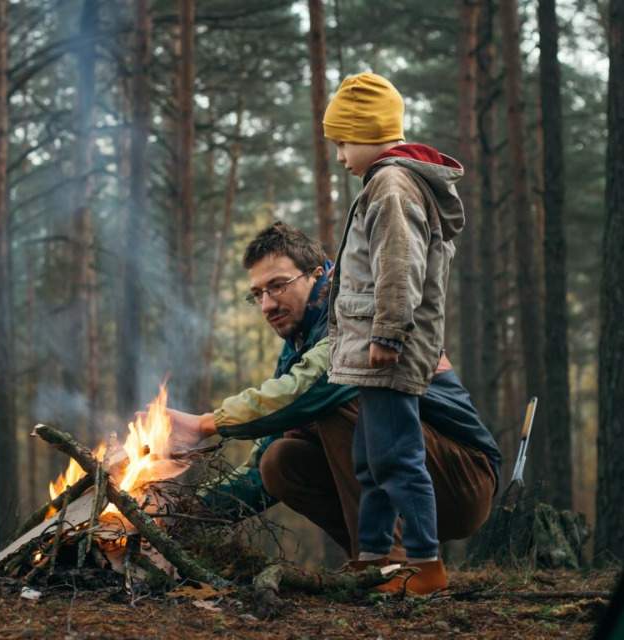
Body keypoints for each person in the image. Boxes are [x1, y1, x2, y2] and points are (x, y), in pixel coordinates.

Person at [166, 222, 500, 575]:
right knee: (279, 460)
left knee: (335, 402)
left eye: (278, 286)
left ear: (318, 274)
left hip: (461, 478)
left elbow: (311, 387)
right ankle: (369, 562)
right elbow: (259, 468)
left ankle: (392, 563)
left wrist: (205, 424)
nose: (266, 304)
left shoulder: (356, 310)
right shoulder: (298, 344)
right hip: (412, 486)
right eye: (257, 294)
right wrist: (180, 513)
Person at [323, 71, 467, 594]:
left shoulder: (390, 184)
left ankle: (426, 566)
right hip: (376, 350)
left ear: (369, 133)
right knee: (370, 460)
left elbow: (398, 266)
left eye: (342, 142)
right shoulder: (387, 183)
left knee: (398, 459)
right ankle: (375, 556)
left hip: (388, 350)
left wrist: (387, 334)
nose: (340, 156)